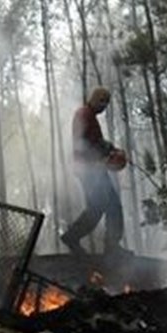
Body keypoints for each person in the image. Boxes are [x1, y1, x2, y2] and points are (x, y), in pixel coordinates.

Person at [61, 86, 130, 258]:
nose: (104, 106)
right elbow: (82, 142)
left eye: (106, 103)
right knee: (104, 206)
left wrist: (112, 150)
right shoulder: (83, 114)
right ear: (94, 99)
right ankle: (77, 238)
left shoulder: (89, 116)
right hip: (89, 169)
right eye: (102, 101)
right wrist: (104, 156)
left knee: (103, 206)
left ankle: (106, 244)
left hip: (94, 168)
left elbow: (97, 141)